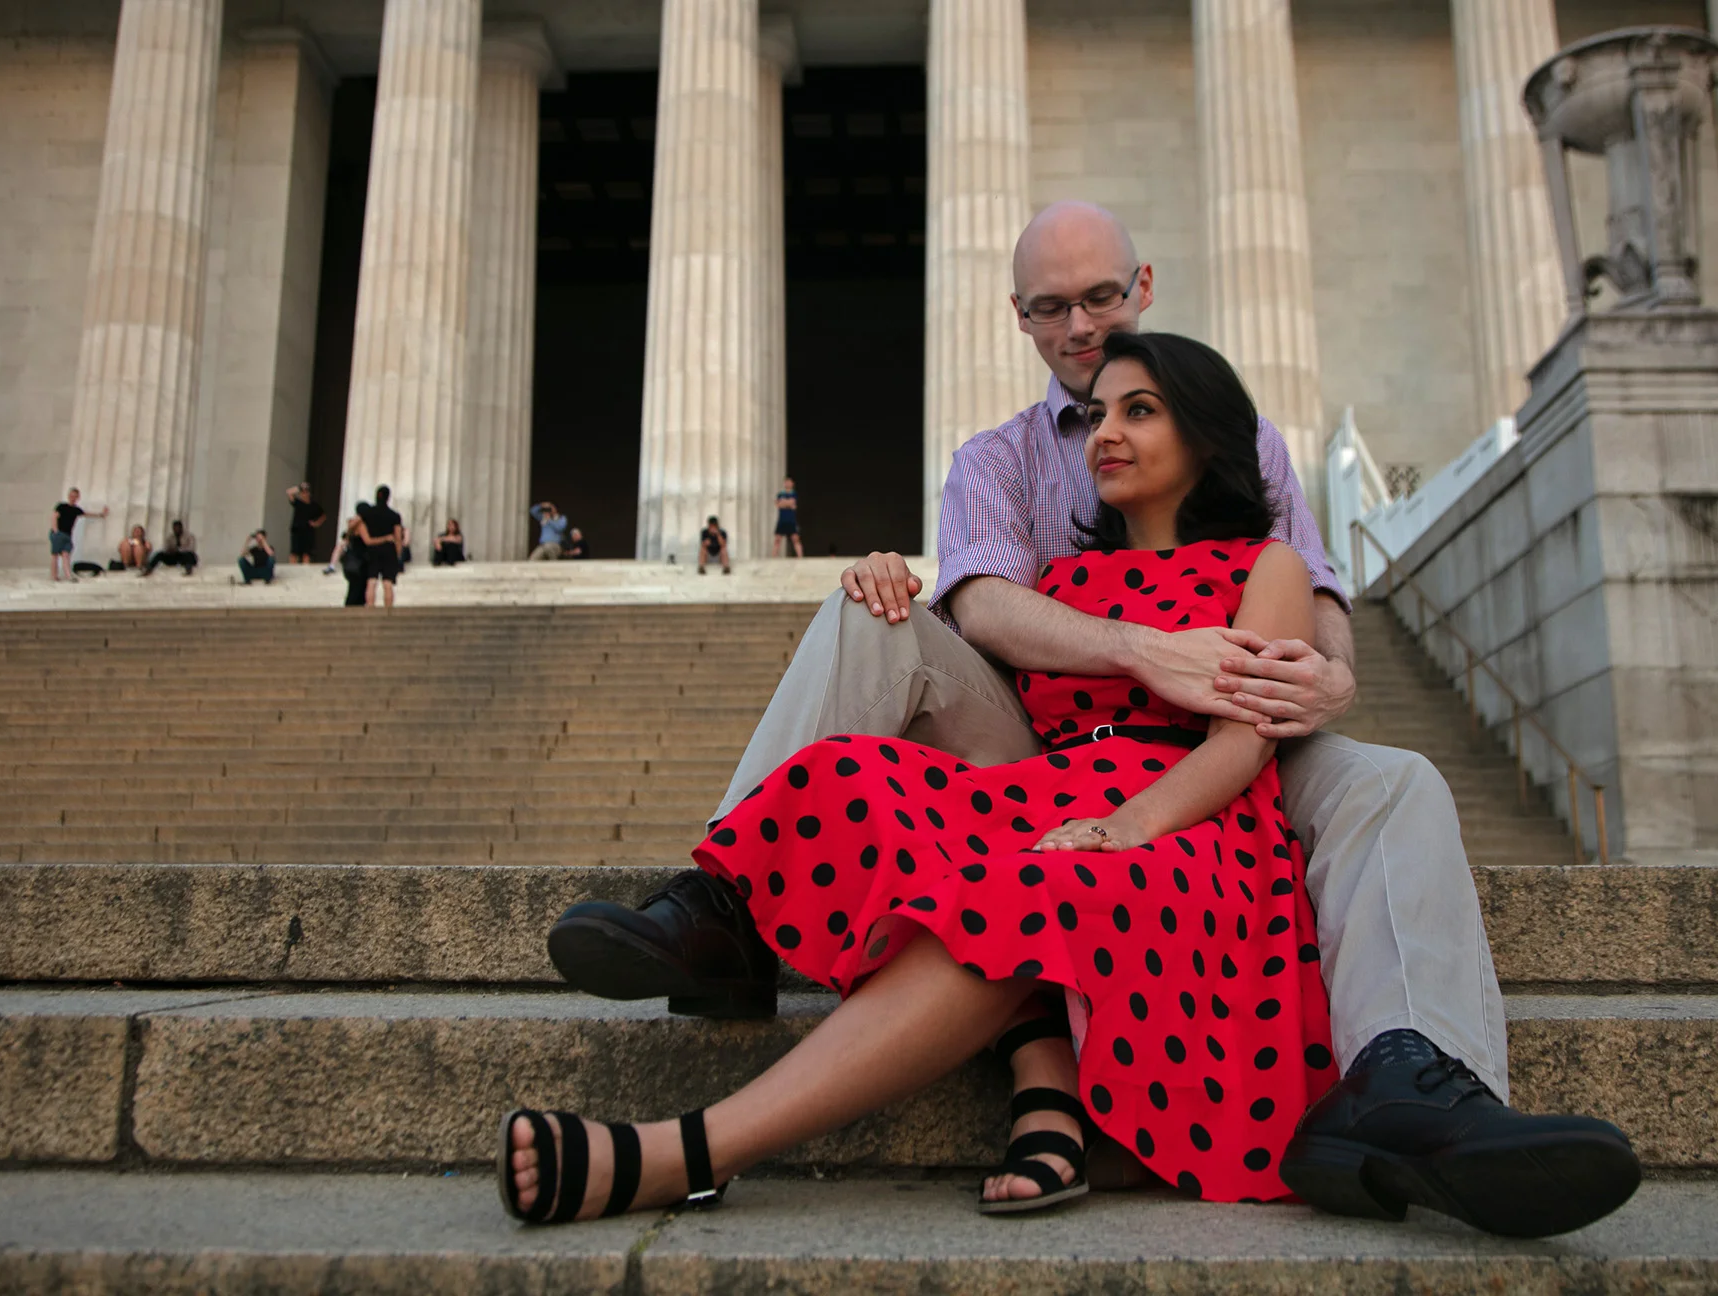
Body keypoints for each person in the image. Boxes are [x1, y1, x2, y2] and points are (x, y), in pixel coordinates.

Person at [542, 203, 1641, 1239]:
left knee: (1396, 781)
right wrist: (1144, 651)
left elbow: (1314, 592)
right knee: (870, 620)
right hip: (1047, 742)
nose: (1079, 326)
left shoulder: (1242, 452)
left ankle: (1413, 1081)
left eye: (1101, 298)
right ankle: (734, 902)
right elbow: (979, 605)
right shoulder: (1001, 458)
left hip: (1224, 746)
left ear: (1143, 287)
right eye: (1051, 307)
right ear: (1019, 317)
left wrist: (1330, 680)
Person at [355, 486, 403, 609]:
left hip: (373, 549)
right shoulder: (394, 515)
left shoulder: (367, 513)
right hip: (389, 549)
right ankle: (388, 610)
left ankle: (370, 607)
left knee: (371, 581)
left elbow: (355, 523)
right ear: (388, 497)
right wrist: (398, 553)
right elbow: (398, 537)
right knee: (388, 582)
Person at [49, 488, 106, 582]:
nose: (73, 498)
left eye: (75, 496)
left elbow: (86, 514)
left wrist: (101, 514)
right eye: (71, 496)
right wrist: (55, 531)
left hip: (67, 535)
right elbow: (54, 517)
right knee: (55, 555)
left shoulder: (76, 510)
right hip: (59, 533)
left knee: (66, 555)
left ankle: (68, 576)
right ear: (68, 496)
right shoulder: (61, 506)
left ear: (78, 498)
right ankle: (54, 576)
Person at [326, 516, 367, 607]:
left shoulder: (349, 534)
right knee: (357, 588)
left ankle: (351, 605)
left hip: (352, 564)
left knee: (355, 588)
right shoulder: (359, 534)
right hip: (359, 564)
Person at [286, 483, 325, 564]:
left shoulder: (314, 505)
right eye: (302, 493)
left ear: (309, 493)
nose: (304, 494)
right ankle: (292, 568)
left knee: (306, 553)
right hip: (297, 530)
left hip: (308, 531)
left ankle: (305, 568)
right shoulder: (298, 503)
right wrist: (299, 487)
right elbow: (289, 492)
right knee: (294, 552)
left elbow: (323, 515)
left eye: (306, 492)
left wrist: (316, 523)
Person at [772, 477, 803, 557]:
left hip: (791, 520)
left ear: (792, 484)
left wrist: (784, 502)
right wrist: (787, 504)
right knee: (777, 539)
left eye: (789, 482)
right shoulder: (780, 494)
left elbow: (792, 502)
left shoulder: (794, 494)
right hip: (782, 520)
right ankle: (773, 557)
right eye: (786, 482)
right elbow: (778, 504)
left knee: (795, 539)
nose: (787, 484)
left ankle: (800, 557)